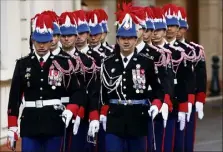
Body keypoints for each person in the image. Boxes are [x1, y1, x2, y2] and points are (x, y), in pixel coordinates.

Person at [7, 13, 85, 152]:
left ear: (51, 41)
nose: (41, 45)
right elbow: (14, 97)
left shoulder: (64, 63)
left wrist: (70, 110)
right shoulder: (23, 64)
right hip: (30, 124)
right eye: (38, 41)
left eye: (45, 41)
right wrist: (12, 126)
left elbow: (78, 91)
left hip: (54, 123)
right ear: (33, 40)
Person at [99, 3, 164, 152]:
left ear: (135, 39)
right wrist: (101, 113)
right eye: (122, 38)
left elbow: (157, 89)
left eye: (129, 38)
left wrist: (155, 104)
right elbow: (101, 93)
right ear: (117, 39)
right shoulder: (108, 62)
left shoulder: (146, 62)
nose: (126, 41)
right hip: (115, 119)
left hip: (138, 119)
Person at [176, 6, 207, 152]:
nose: (174, 30)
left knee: (186, 141)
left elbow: (200, 76)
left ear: (185, 28)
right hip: (171, 99)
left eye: (179, 27)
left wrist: (199, 98)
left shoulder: (193, 50)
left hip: (189, 99)